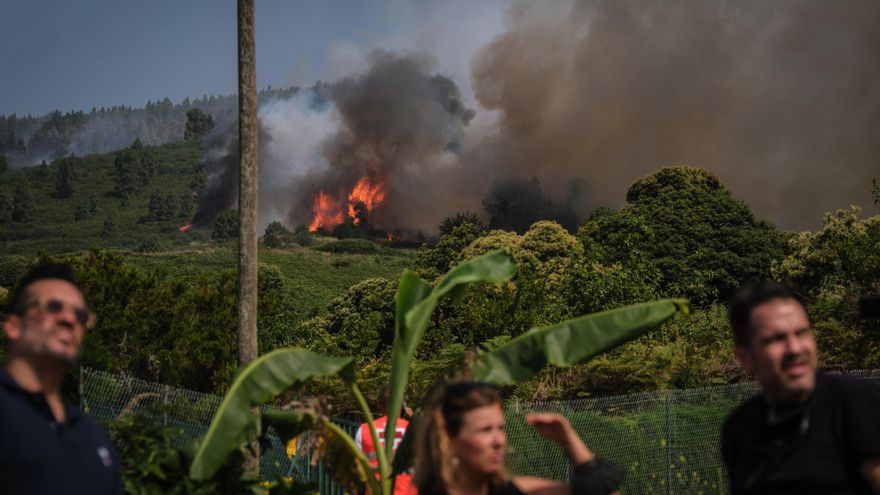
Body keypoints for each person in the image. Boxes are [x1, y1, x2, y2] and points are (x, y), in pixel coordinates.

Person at [722, 281, 880, 494]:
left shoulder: (852, 401)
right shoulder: (739, 428)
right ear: (745, 358)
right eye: (776, 339)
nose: (795, 348)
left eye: (802, 333)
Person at [0, 263, 123, 494]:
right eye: (53, 306)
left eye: (80, 315)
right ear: (14, 326)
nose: (69, 319)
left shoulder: (93, 435)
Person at [413, 381, 621, 495]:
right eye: (485, 430)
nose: (499, 441)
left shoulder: (515, 491)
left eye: (501, 428)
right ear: (449, 438)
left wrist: (568, 438)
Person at [355, 387, 417, 495]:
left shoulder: (364, 429)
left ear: (379, 405)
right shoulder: (413, 429)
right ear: (402, 406)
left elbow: (356, 470)